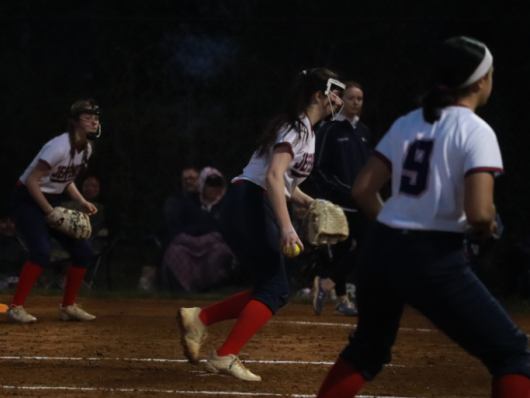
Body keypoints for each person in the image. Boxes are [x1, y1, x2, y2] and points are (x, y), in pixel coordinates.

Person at [316, 37, 530, 398]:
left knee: (367, 350)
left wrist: (395, 229)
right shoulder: (477, 130)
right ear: (480, 81)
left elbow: (363, 190)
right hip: (431, 254)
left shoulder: (408, 122)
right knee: (512, 356)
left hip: (380, 248)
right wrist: (488, 222)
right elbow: (479, 213)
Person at [177, 68, 344, 381]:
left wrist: (313, 203)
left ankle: (200, 318)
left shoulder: (303, 128)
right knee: (277, 289)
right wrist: (287, 228)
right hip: (251, 201)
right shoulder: (298, 127)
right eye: (335, 92)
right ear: (319, 95)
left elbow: (286, 185)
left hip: (244, 202)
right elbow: (273, 177)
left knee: (269, 286)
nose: (339, 99)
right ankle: (225, 355)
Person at [5, 99, 101, 324]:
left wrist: (81, 200)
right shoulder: (59, 147)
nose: (94, 122)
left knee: (83, 251)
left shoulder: (86, 148)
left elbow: (65, 179)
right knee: (41, 252)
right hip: (27, 199)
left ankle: (68, 307)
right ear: (75, 122)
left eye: (96, 118)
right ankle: (15, 308)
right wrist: (49, 212)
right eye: (88, 118)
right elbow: (31, 180)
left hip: (49, 200)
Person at [308, 81, 373, 316]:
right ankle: (342, 300)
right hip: (340, 204)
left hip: (361, 203)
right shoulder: (330, 129)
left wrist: (367, 190)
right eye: (351, 98)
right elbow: (318, 169)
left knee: (367, 248)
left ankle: (325, 284)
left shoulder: (363, 131)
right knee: (342, 252)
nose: (356, 102)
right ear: (341, 101)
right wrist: (342, 191)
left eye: (360, 98)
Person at [161, 167, 233, 293]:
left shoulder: (228, 205)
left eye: (218, 184)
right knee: (175, 251)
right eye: (210, 184)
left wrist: (202, 230)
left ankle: (212, 288)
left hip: (214, 244)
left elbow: (227, 230)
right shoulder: (188, 203)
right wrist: (203, 228)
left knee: (220, 251)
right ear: (202, 185)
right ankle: (183, 290)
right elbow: (175, 229)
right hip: (188, 244)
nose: (214, 188)